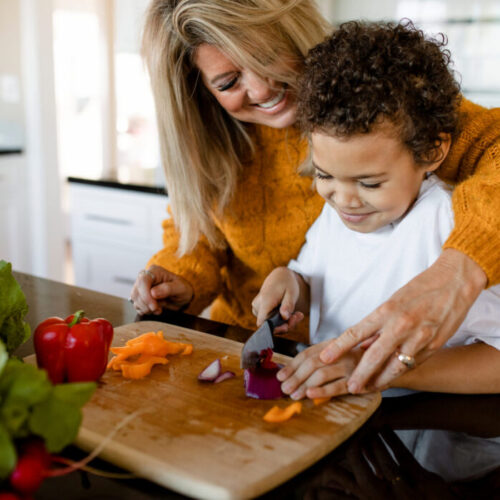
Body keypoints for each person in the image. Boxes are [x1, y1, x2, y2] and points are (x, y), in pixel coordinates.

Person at [130, 0, 500, 393]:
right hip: (270, 354)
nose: (261, 89)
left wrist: (458, 270)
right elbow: (205, 235)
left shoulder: (392, 108)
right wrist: (180, 280)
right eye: (228, 83)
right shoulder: (221, 144)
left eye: (266, 56)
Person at [252, 20, 500, 399]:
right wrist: (290, 283)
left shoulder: (456, 224)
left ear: (432, 152)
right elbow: (314, 278)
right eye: (325, 175)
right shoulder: (338, 211)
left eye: (369, 183)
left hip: (426, 441)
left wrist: (379, 369)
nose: (344, 199)